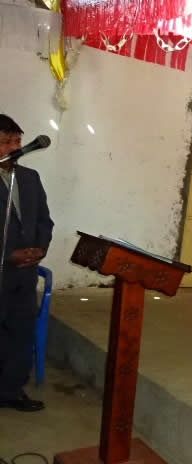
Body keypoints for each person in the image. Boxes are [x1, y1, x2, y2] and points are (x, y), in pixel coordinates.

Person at [0, 114, 53, 412]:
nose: (14, 147)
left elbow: (44, 220)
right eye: (5, 141)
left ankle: (11, 391)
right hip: (3, 268)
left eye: (17, 141)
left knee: (21, 332)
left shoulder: (30, 178)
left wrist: (40, 249)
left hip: (25, 274)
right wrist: (7, 254)